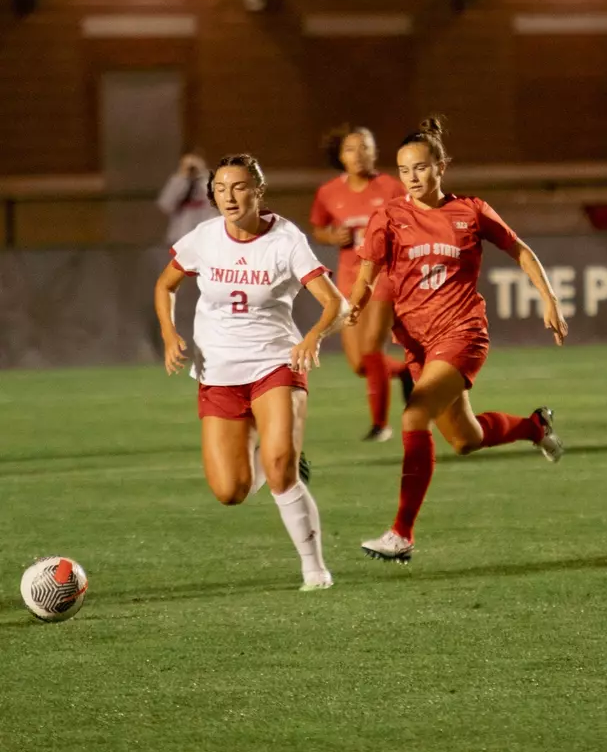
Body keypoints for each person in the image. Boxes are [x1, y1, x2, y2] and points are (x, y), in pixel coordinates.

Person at [347, 117, 568, 563]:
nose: (412, 177)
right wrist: (354, 303)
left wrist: (549, 298)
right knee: (465, 440)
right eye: (405, 169)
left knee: (413, 417)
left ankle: (401, 534)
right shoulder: (389, 216)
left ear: (441, 166)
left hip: (462, 332)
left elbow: (520, 250)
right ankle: (535, 427)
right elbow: (367, 272)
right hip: (418, 343)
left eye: (421, 167)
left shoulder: (471, 211)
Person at [154, 152, 347, 590]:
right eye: (220, 189)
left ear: (258, 191)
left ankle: (314, 569)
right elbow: (165, 284)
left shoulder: (285, 240)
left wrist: (313, 336)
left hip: (275, 363)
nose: (228, 196)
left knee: (280, 468)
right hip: (218, 372)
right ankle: (278, 459)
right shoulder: (203, 237)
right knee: (230, 491)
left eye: (239, 187)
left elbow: (337, 303)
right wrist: (169, 333)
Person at [310, 125, 412, 441]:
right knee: (359, 364)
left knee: (371, 348)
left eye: (365, 147)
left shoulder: (393, 188)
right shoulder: (328, 193)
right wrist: (331, 236)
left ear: (376, 152)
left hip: (383, 276)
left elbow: (412, 224)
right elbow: (318, 228)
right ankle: (406, 372)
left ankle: (381, 426)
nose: (359, 154)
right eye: (351, 149)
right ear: (341, 156)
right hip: (348, 279)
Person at [157, 151, 218, 244]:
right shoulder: (177, 181)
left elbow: (215, 203)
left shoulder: (208, 181)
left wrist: (201, 175)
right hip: (181, 231)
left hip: (204, 230)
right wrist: (182, 178)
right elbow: (165, 205)